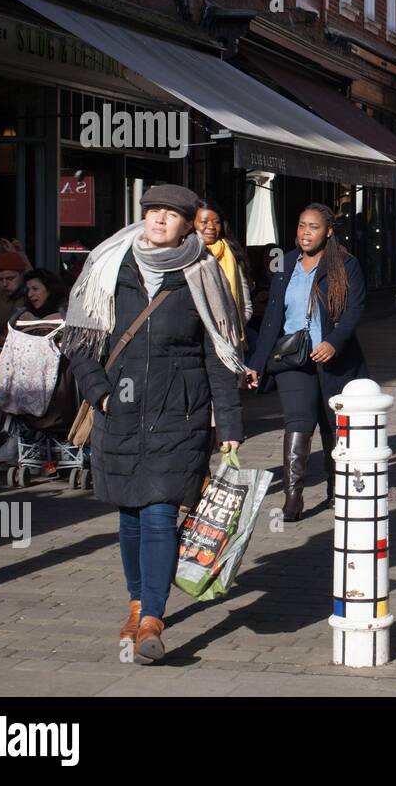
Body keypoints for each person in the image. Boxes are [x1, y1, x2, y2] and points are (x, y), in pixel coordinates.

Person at [63, 184, 245, 664]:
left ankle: (152, 619)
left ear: (188, 223)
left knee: (161, 511)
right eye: (152, 211)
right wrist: (99, 394)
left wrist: (228, 425)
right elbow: (80, 342)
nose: (159, 219)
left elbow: (220, 353)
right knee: (129, 514)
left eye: (170, 214)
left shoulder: (202, 274)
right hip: (118, 411)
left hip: (179, 413)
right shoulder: (107, 268)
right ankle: (137, 599)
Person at [247, 204, 367, 521]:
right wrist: (256, 363)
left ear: (328, 231)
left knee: (331, 423)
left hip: (332, 358)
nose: (305, 233)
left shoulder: (345, 263)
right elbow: (272, 318)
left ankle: (335, 488)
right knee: (298, 422)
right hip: (292, 358)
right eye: (301, 226)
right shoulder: (286, 263)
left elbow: (355, 310)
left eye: (313, 227)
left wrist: (334, 342)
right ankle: (292, 498)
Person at [194, 200, 253, 343]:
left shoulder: (231, 253)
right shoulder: (184, 256)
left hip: (230, 340)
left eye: (216, 222)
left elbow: (246, 305)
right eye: (204, 221)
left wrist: (232, 327)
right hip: (195, 338)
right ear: (192, 223)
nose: (211, 227)